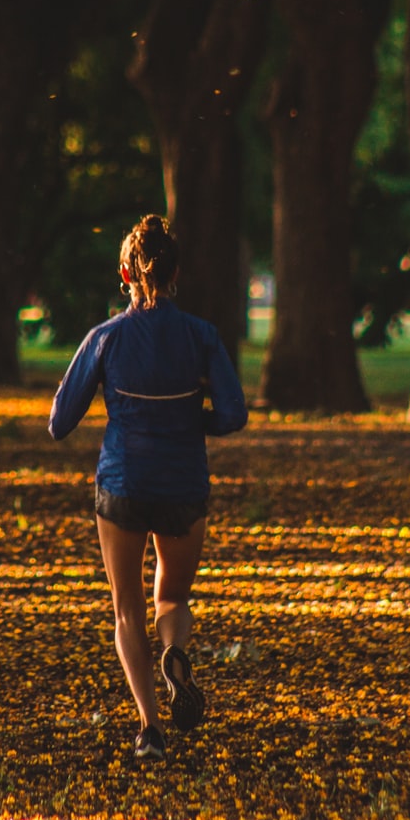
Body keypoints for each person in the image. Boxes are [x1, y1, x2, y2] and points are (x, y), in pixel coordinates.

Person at [49, 215, 248, 761]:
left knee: (126, 610)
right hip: (184, 481)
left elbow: (60, 422)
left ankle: (150, 729)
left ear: (124, 275)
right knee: (173, 597)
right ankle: (175, 656)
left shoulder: (105, 338)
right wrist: (189, 421)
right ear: (177, 270)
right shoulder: (203, 337)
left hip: (122, 483)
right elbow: (233, 415)